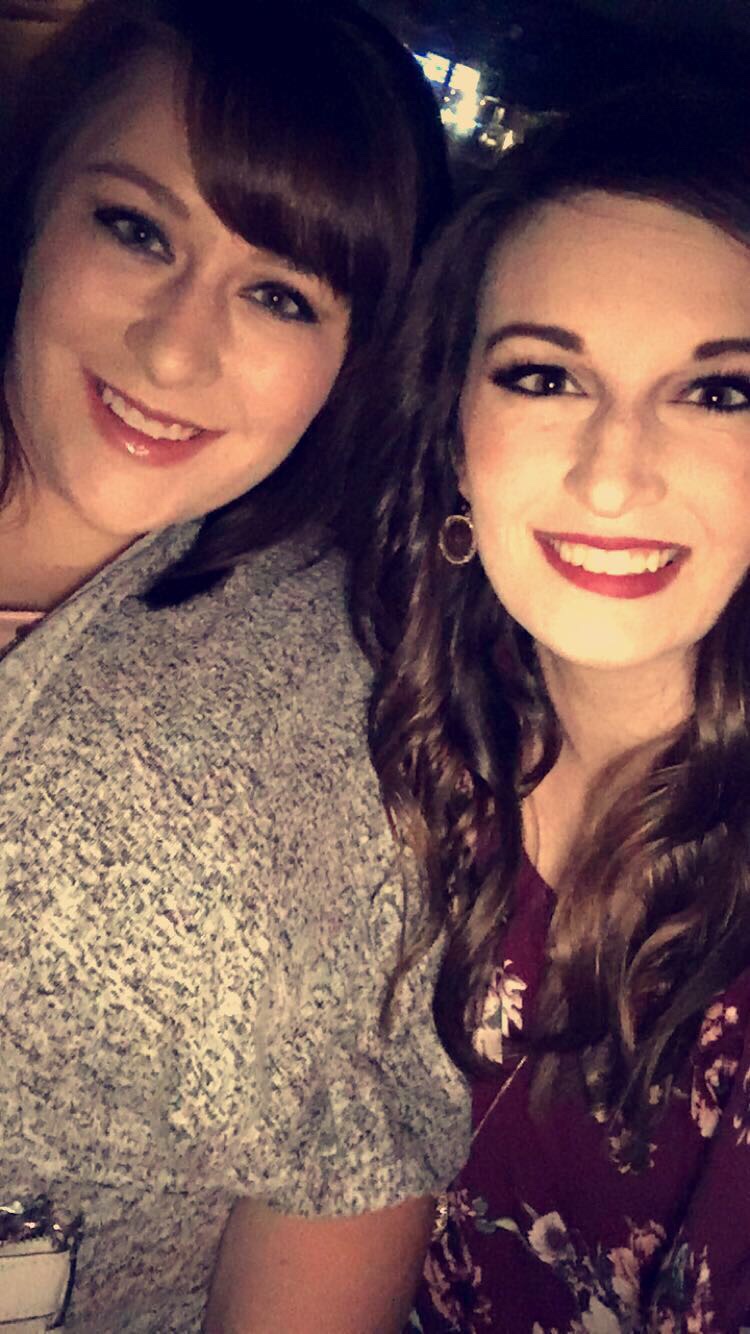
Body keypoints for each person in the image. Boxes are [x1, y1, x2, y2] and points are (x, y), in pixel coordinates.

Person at [0, 1, 471, 1329]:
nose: (173, 348)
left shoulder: (344, 719)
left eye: (279, 294)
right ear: (34, 205)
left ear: (357, 358)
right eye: (136, 229)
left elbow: (334, 1199)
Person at [350, 84, 750, 1333]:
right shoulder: (398, 731)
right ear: (452, 432)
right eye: (544, 375)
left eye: (721, 392)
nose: (614, 474)